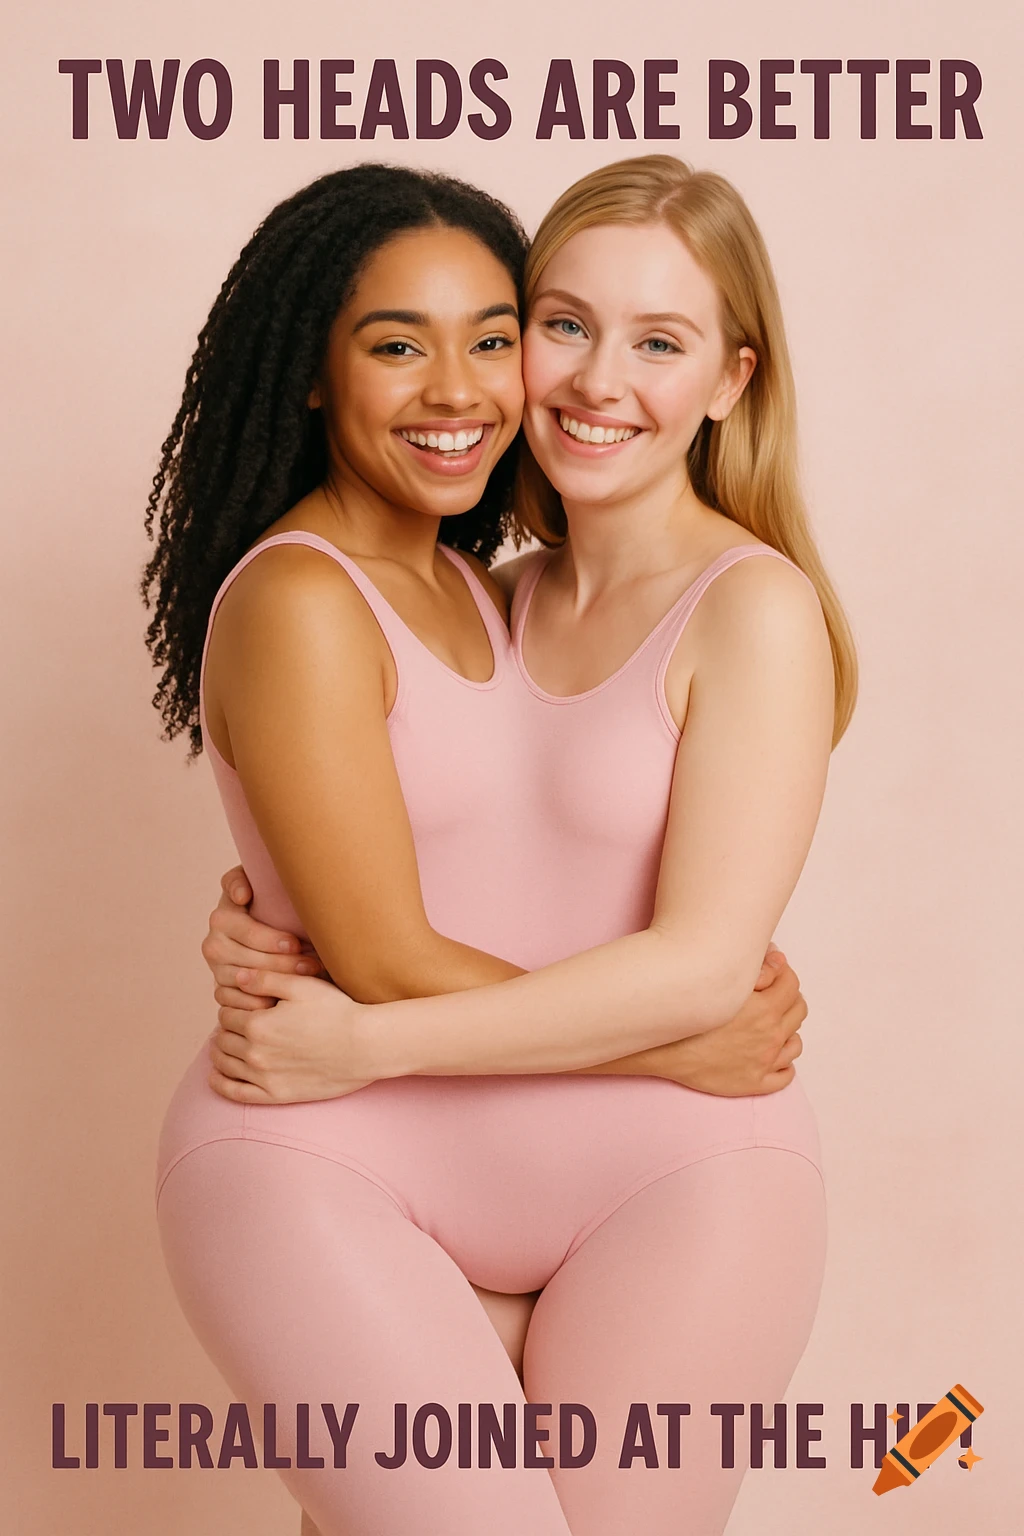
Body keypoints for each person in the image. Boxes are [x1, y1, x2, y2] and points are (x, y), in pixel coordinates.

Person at [149, 157, 852, 1536]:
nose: (591, 379)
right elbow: (388, 925)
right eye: (564, 324)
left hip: (659, 1179)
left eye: (661, 341)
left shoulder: (729, 608)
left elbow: (689, 959)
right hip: (347, 1154)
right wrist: (676, 1040)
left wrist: (361, 1032)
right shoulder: (468, 587)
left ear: (730, 379)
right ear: (311, 369)